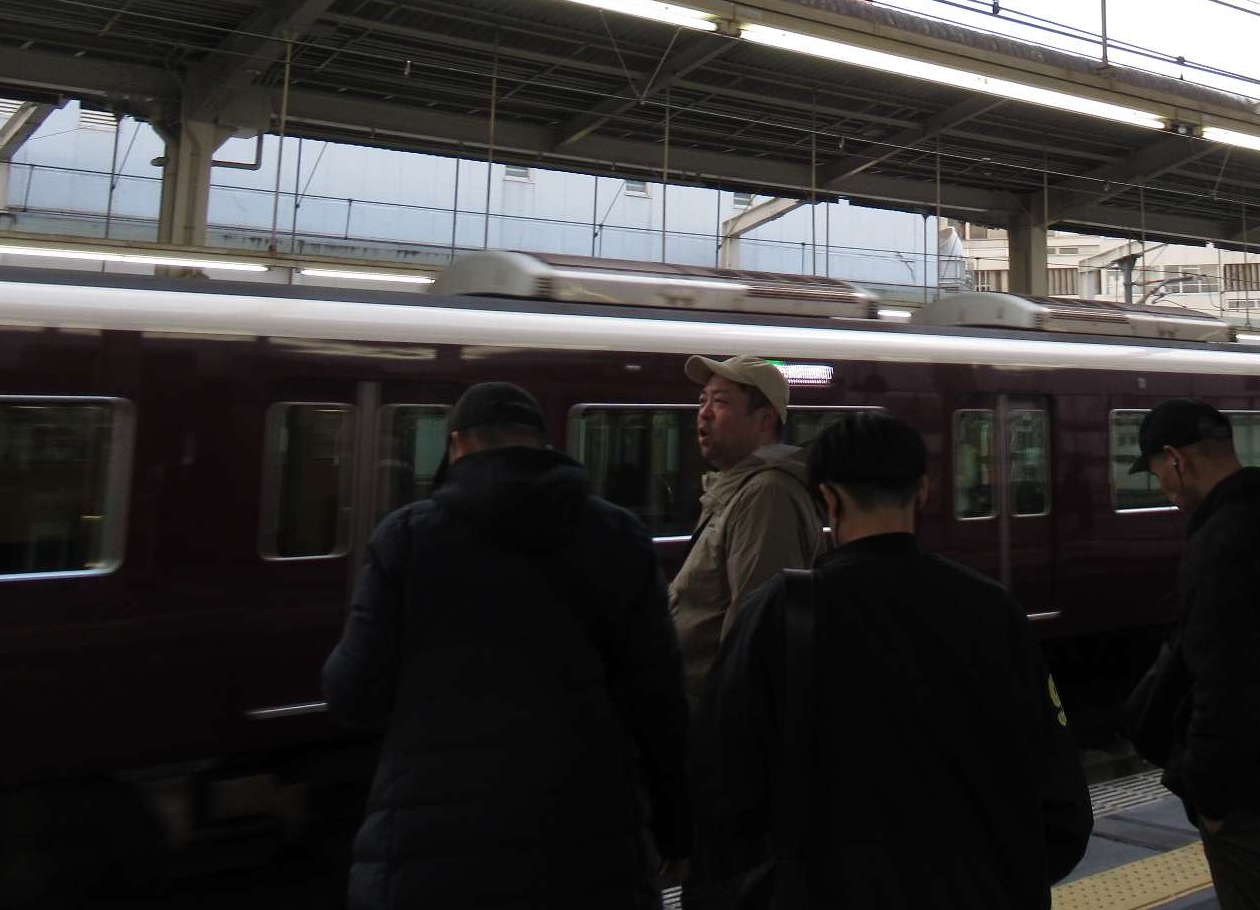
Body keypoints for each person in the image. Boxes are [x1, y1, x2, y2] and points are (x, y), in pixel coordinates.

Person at [686, 412, 1092, 908]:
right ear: (922, 491)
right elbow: (1059, 791)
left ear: (827, 500)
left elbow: (721, 789)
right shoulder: (993, 608)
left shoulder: (779, 613)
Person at [322, 381, 690, 909]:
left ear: (457, 446)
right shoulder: (619, 537)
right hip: (588, 853)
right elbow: (660, 703)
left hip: (429, 855)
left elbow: (352, 696)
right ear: (542, 445)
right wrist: (675, 829)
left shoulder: (405, 538)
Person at [1131, 398, 1260, 910]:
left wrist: (1211, 799)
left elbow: (1227, 687)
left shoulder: (1221, 542)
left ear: (1177, 461)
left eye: (1159, 472)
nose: (1164, 486)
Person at [667, 354, 823, 699]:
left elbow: (755, 634)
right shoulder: (734, 488)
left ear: (765, 419)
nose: (704, 412)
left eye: (721, 402)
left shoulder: (767, 496)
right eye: (702, 400)